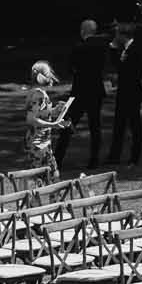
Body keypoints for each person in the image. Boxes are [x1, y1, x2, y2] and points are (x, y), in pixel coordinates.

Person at [55, 19, 108, 171]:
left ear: (83, 31)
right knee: (95, 126)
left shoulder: (78, 47)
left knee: (68, 123)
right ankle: (94, 160)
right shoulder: (101, 48)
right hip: (96, 91)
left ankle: (58, 158)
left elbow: (70, 68)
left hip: (79, 91)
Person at [107, 21, 142, 167]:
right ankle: (114, 156)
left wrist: (113, 50)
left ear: (123, 35)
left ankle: (135, 157)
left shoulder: (135, 50)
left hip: (132, 93)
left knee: (134, 125)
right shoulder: (126, 49)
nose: (115, 37)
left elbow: (126, 69)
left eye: (117, 34)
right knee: (119, 124)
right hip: (124, 92)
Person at [24, 61, 67, 179]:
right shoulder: (38, 94)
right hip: (38, 144)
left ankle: (52, 197)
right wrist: (54, 124)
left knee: (50, 175)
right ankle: (40, 197)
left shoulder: (38, 93)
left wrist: (55, 110)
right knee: (45, 177)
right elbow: (31, 119)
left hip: (43, 143)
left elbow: (40, 114)